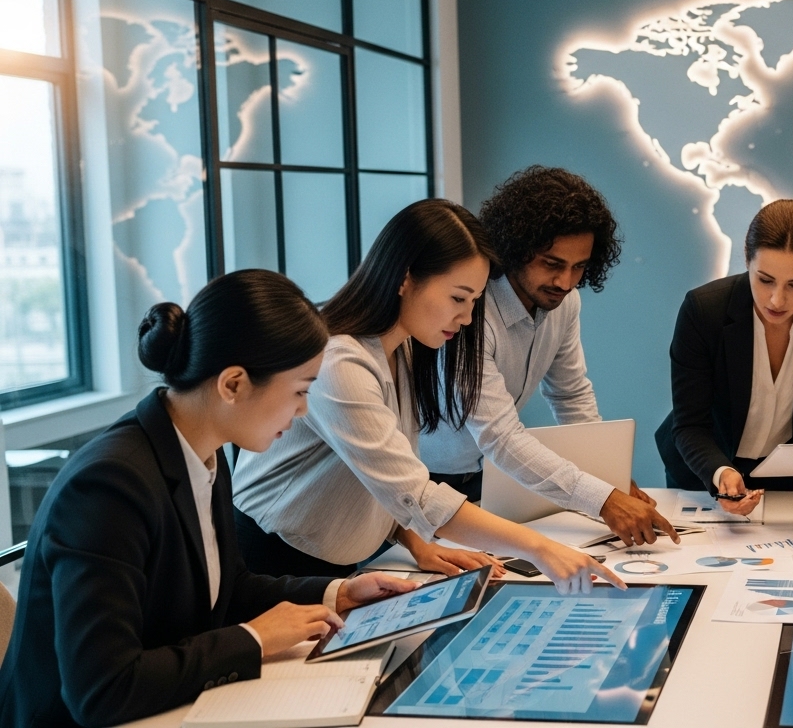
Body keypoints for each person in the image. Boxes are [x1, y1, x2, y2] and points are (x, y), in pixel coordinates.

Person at [0, 270, 419, 727]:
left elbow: (227, 589)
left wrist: (336, 592)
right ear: (233, 384)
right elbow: (102, 689)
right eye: (300, 390)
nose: (302, 410)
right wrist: (254, 639)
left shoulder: (203, 452)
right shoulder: (108, 484)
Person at [233, 199, 623, 592]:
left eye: (474, 302)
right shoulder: (340, 362)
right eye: (458, 298)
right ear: (405, 278)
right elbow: (414, 491)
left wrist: (415, 541)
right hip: (275, 557)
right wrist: (542, 549)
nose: (467, 318)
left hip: (337, 553)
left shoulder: (402, 349)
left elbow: (382, 478)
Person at [419, 167, 677, 547]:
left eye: (579, 267)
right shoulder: (470, 311)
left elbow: (570, 395)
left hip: (485, 477)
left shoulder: (565, 303)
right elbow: (502, 438)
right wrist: (603, 499)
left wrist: (608, 479)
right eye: (552, 264)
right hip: (427, 479)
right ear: (515, 249)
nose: (566, 282)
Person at [656, 199, 793, 516]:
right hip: (706, 474)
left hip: (790, 478)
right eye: (765, 280)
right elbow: (690, 425)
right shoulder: (703, 310)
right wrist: (720, 474)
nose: (778, 299)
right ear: (746, 258)